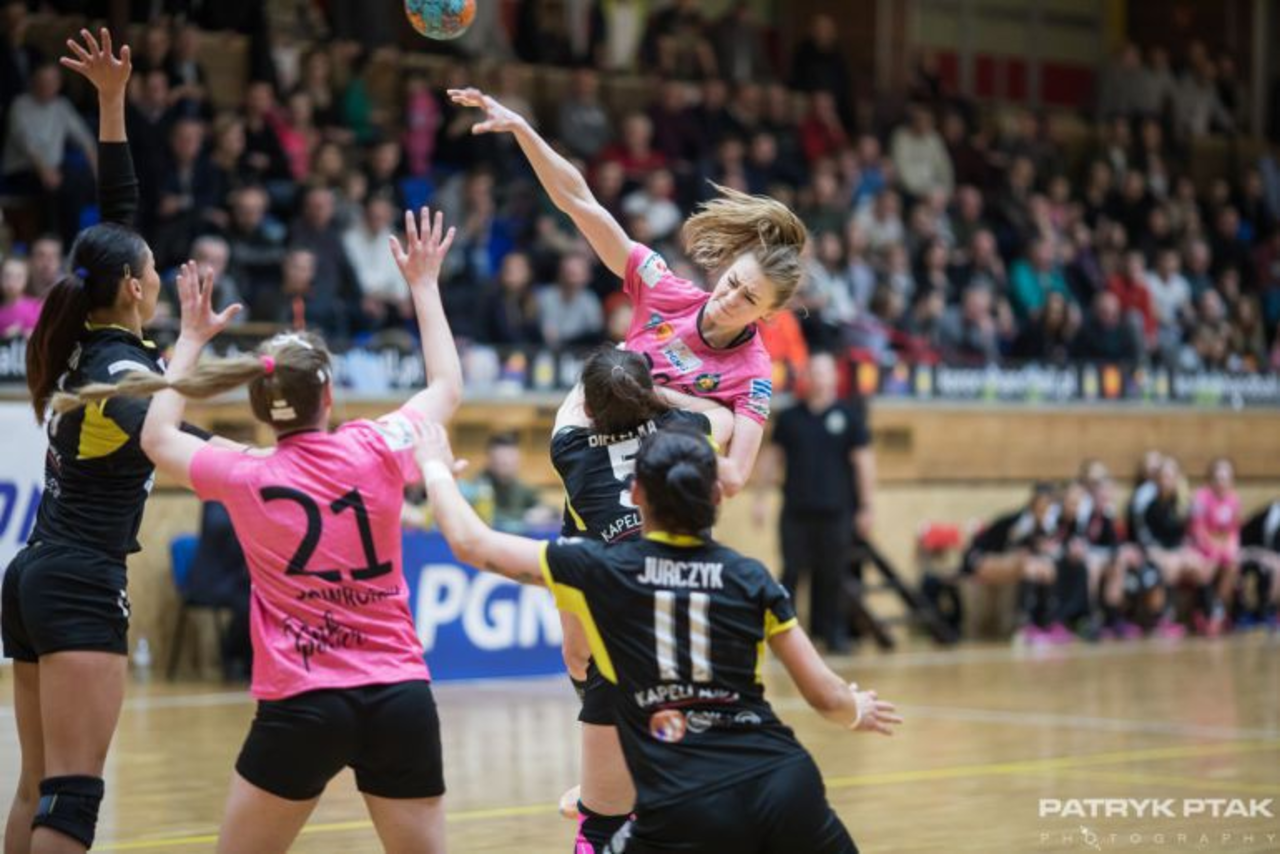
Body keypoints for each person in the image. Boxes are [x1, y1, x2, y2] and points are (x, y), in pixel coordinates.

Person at [53, 208, 461, 853]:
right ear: (328, 398)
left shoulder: (245, 473)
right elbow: (446, 386)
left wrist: (190, 338)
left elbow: (157, 437)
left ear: (262, 410)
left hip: (302, 704)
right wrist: (424, 284)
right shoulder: (377, 445)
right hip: (398, 695)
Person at [417, 423, 901, 854]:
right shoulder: (752, 577)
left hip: (683, 801)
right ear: (716, 497)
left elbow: (472, 544)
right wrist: (856, 710)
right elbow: (826, 695)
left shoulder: (599, 570)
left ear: (635, 493)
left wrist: (434, 468)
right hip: (782, 782)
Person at [0, 30, 208, 854]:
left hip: (34, 574)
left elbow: (117, 214)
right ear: (132, 287)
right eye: (153, 269)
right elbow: (168, 438)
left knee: (37, 787)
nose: (160, 275)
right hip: (82, 582)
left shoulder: (88, 335)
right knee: (72, 797)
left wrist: (113, 103)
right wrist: (277, 459)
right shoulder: (123, 369)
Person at [448, 87, 810, 496]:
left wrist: (666, 410)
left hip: (658, 485)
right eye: (732, 282)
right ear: (724, 269)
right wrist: (522, 129)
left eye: (749, 299)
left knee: (719, 421)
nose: (729, 299)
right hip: (593, 451)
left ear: (768, 314)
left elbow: (736, 477)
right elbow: (580, 202)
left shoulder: (753, 372)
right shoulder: (664, 288)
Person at [549, 347, 732, 852]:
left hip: (618, 612)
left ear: (591, 407)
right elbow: (725, 415)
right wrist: (657, 394)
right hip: (675, 614)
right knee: (577, 653)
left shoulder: (569, 449)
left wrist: (627, 354)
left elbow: (572, 405)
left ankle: (618, 774)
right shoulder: (682, 432)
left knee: (587, 662)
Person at [753, 353, 875, 652]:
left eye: (824, 371)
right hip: (796, 511)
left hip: (836, 512)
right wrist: (759, 498)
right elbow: (772, 458)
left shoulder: (849, 417)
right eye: (813, 371)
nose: (818, 377)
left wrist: (866, 507)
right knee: (791, 573)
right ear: (805, 377)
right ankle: (787, 639)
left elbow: (863, 463)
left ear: (835, 376)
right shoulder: (790, 418)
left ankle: (832, 634)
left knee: (832, 575)